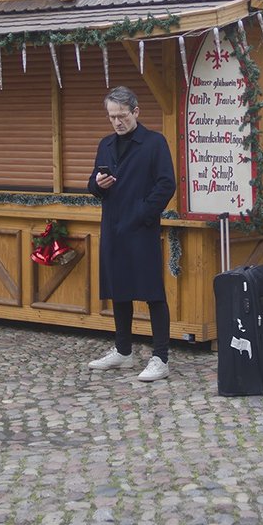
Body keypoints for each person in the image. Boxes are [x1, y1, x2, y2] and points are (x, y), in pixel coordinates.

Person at [86, 86, 177, 382]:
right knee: (119, 290)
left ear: (136, 112)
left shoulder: (154, 143)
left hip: (141, 228)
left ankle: (160, 357)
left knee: (152, 292)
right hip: (112, 226)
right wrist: (99, 183)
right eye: (112, 117)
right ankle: (123, 352)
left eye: (122, 116)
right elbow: (92, 185)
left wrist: (142, 213)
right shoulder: (106, 144)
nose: (117, 122)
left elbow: (166, 185)